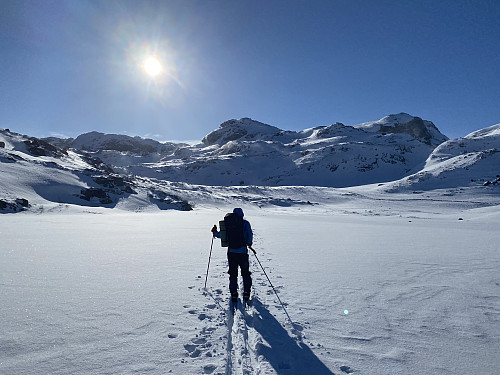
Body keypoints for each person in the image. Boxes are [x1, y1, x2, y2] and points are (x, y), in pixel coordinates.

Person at [211, 208, 253, 302]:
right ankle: (246, 293)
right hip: (242, 252)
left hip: (231, 252)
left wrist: (215, 232)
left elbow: (222, 235)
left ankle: (233, 294)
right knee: (245, 273)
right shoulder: (245, 223)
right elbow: (249, 234)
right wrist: (249, 243)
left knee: (233, 274)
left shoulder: (228, 223)